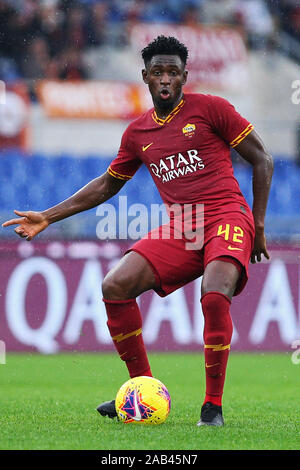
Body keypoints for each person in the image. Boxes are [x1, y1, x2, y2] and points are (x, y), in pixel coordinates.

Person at [2, 36, 273, 426]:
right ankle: (140, 392)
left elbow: (262, 160)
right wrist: (49, 216)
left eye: (173, 73)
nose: (166, 79)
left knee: (214, 296)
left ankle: (212, 406)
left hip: (227, 217)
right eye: (158, 72)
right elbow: (107, 185)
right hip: (184, 227)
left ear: (185, 77)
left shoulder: (212, 109)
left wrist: (258, 227)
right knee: (115, 286)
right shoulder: (137, 134)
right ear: (145, 76)